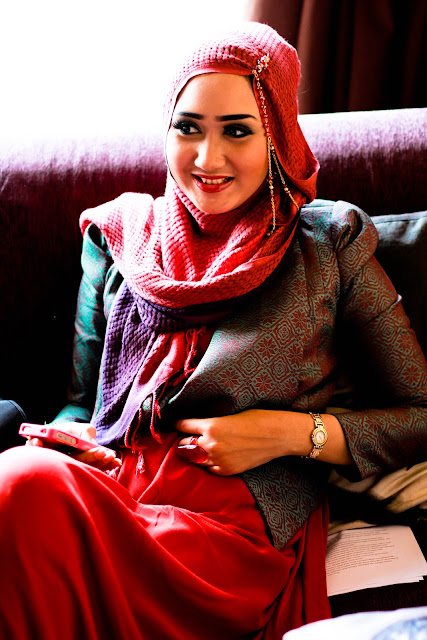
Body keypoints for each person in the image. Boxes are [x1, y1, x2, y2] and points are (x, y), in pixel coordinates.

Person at [0, 22, 426, 640]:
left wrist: (287, 434)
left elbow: (419, 415)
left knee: (18, 488)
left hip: (231, 533)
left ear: (278, 136)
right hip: (115, 489)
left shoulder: (329, 245)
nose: (207, 158)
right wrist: (75, 440)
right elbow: (80, 404)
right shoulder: (119, 239)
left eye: (237, 130)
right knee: (20, 487)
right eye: (188, 127)